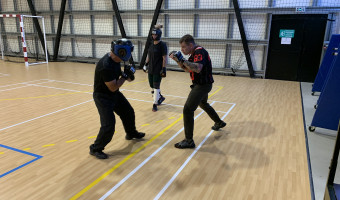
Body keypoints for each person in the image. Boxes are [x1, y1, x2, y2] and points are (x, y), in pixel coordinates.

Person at [90, 38, 145, 159]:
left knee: (128, 112)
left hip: (113, 94)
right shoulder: (106, 65)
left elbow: (127, 79)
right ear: (122, 52)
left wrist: (129, 74)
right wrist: (124, 76)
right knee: (109, 125)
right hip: (103, 97)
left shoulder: (116, 60)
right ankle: (95, 148)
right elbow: (113, 87)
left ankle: (131, 133)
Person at [169, 34, 226, 149]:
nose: (182, 50)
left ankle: (189, 140)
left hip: (202, 86)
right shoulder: (193, 54)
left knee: (188, 109)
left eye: (184, 47)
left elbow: (197, 68)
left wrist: (182, 59)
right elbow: (187, 69)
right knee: (203, 103)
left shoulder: (199, 52)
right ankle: (219, 122)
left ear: (191, 45)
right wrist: (177, 60)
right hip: (203, 84)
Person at [143, 24, 167, 112]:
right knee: (152, 86)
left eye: (155, 34)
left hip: (158, 69)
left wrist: (164, 69)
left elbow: (164, 57)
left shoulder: (162, 45)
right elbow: (149, 55)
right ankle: (160, 97)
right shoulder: (151, 45)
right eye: (153, 35)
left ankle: (155, 104)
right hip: (151, 68)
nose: (154, 36)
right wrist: (146, 64)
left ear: (159, 35)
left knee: (156, 86)